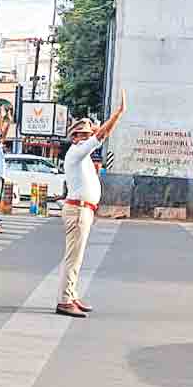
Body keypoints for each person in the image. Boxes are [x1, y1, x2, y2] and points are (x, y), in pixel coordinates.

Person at [57, 92, 126, 318]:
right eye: (85, 135)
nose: (90, 138)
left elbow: (102, 135)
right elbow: (102, 134)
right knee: (73, 257)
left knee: (77, 256)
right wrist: (117, 114)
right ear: (76, 137)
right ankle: (65, 300)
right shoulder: (77, 151)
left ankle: (71, 294)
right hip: (78, 209)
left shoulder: (81, 154)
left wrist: (105, 126)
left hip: (83, 209)